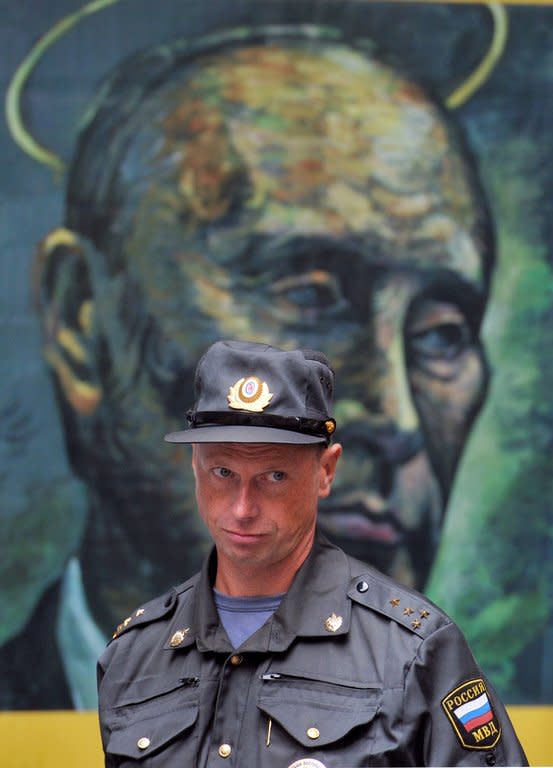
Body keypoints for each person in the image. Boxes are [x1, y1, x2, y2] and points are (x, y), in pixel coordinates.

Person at [3, 26, 495, 708]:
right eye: (310, 296)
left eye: (443, 333)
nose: (397, 416)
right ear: (84, 320)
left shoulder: (444, 694)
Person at [97, 339, 527, 767]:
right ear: (195, 466)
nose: (242, 507)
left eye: (274, 475)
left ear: (326, 471)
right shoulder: (133, 656)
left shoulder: (413, 652)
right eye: (223, 472)